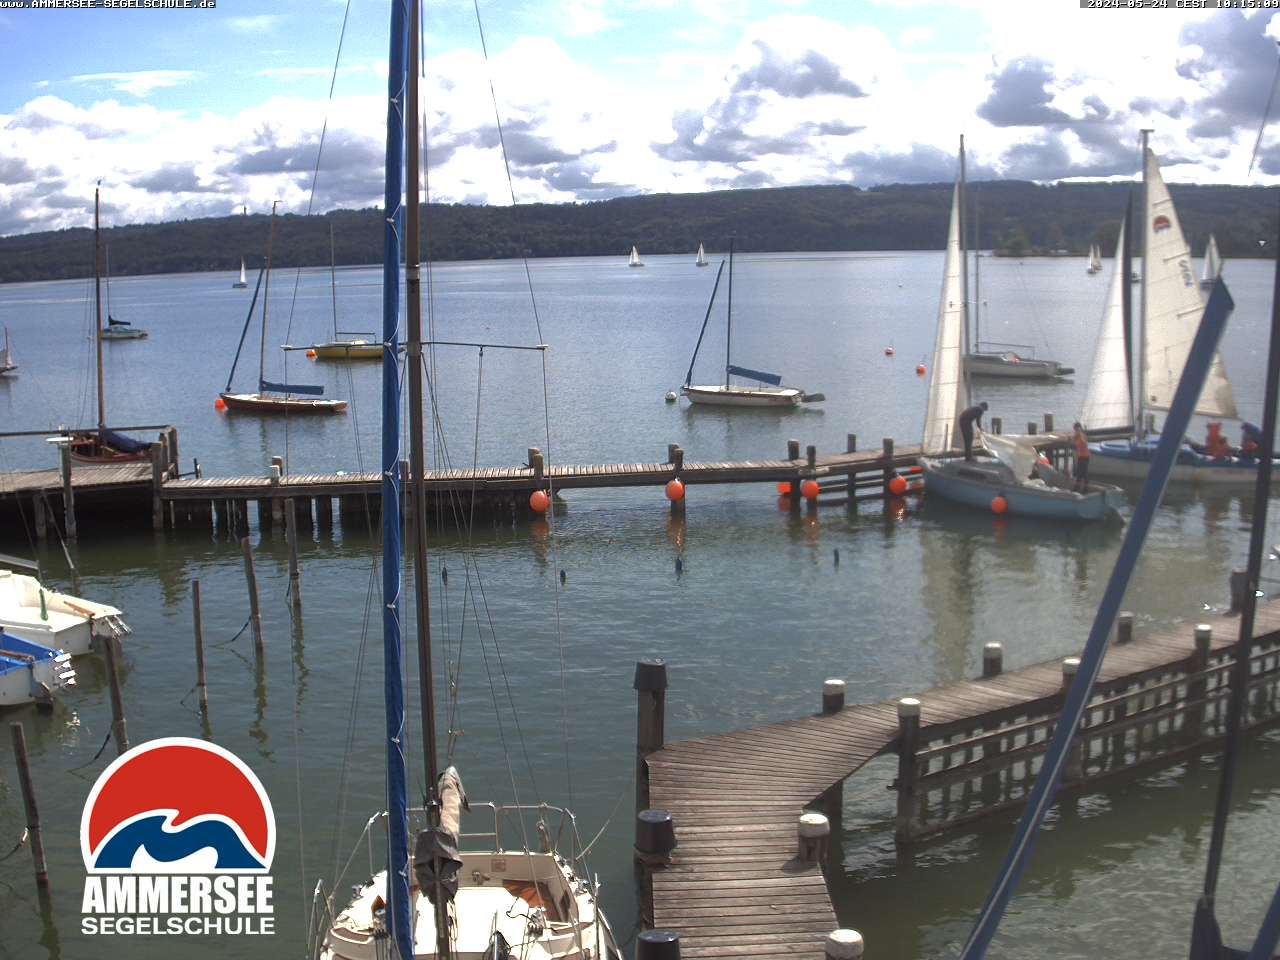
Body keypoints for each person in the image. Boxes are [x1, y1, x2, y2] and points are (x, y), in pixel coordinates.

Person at [1072, 422, 1091, 493]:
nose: (1075, 430)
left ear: (1079, 428)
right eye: (1075, 429)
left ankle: (1086, 488)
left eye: (1077, 429)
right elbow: (1073, 439)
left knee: (1083, 472)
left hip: (1085, 456)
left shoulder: (1082, 435)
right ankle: (1077, 488)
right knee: (1079, 473)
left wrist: (1079, 434)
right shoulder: (1076, 436)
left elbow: (1083, 442)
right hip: (1080, 456)